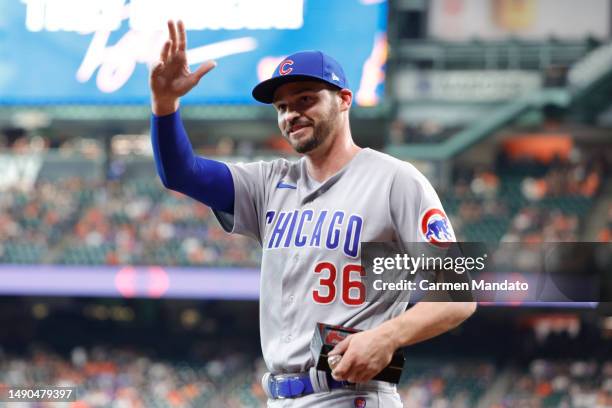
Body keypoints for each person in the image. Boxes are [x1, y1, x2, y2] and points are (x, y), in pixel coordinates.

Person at [150, 20, 476, 407]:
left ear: (343, 99)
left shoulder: (394, 180)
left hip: (351, 394)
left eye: (305, 99)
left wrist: (387, 336)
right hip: (280, 396)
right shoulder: (270, 183)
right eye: (282, 106)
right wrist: (165, 105)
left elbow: (458, 294)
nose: (291, 114)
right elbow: (180, 173)